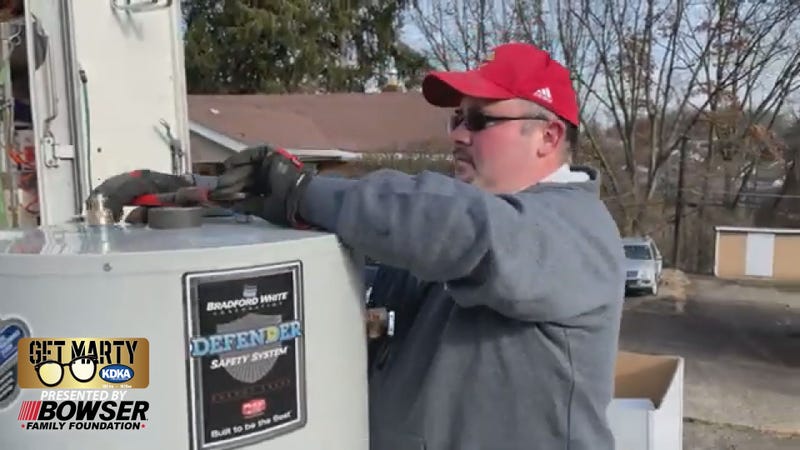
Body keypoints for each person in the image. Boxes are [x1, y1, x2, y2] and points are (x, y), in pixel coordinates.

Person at [91, 42, 626, 450]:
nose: (459, 135)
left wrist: (302, 190)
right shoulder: (455, 239)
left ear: (549, 138)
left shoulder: (573, 233)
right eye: (457, 118)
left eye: (480, 120)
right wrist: (201, 197)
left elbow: (441, 222)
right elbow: (345, 255)